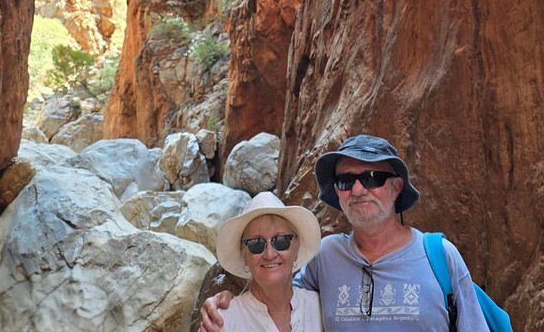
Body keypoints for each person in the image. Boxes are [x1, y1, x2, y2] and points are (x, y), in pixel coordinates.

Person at [201, 135, 490, 332]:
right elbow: (274, 287)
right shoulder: (325, 256)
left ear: (397, 187)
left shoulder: (440, 256)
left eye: (372, 178)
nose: (358, 189)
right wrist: (226, 305)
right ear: (338, 193)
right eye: (345, 181)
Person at [213, 190, 324, 332]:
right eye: (256, 244)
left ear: (296, 248)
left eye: (281, 241)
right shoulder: (223, 321)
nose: (269, 254)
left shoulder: (321, 308)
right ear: (245, 256)